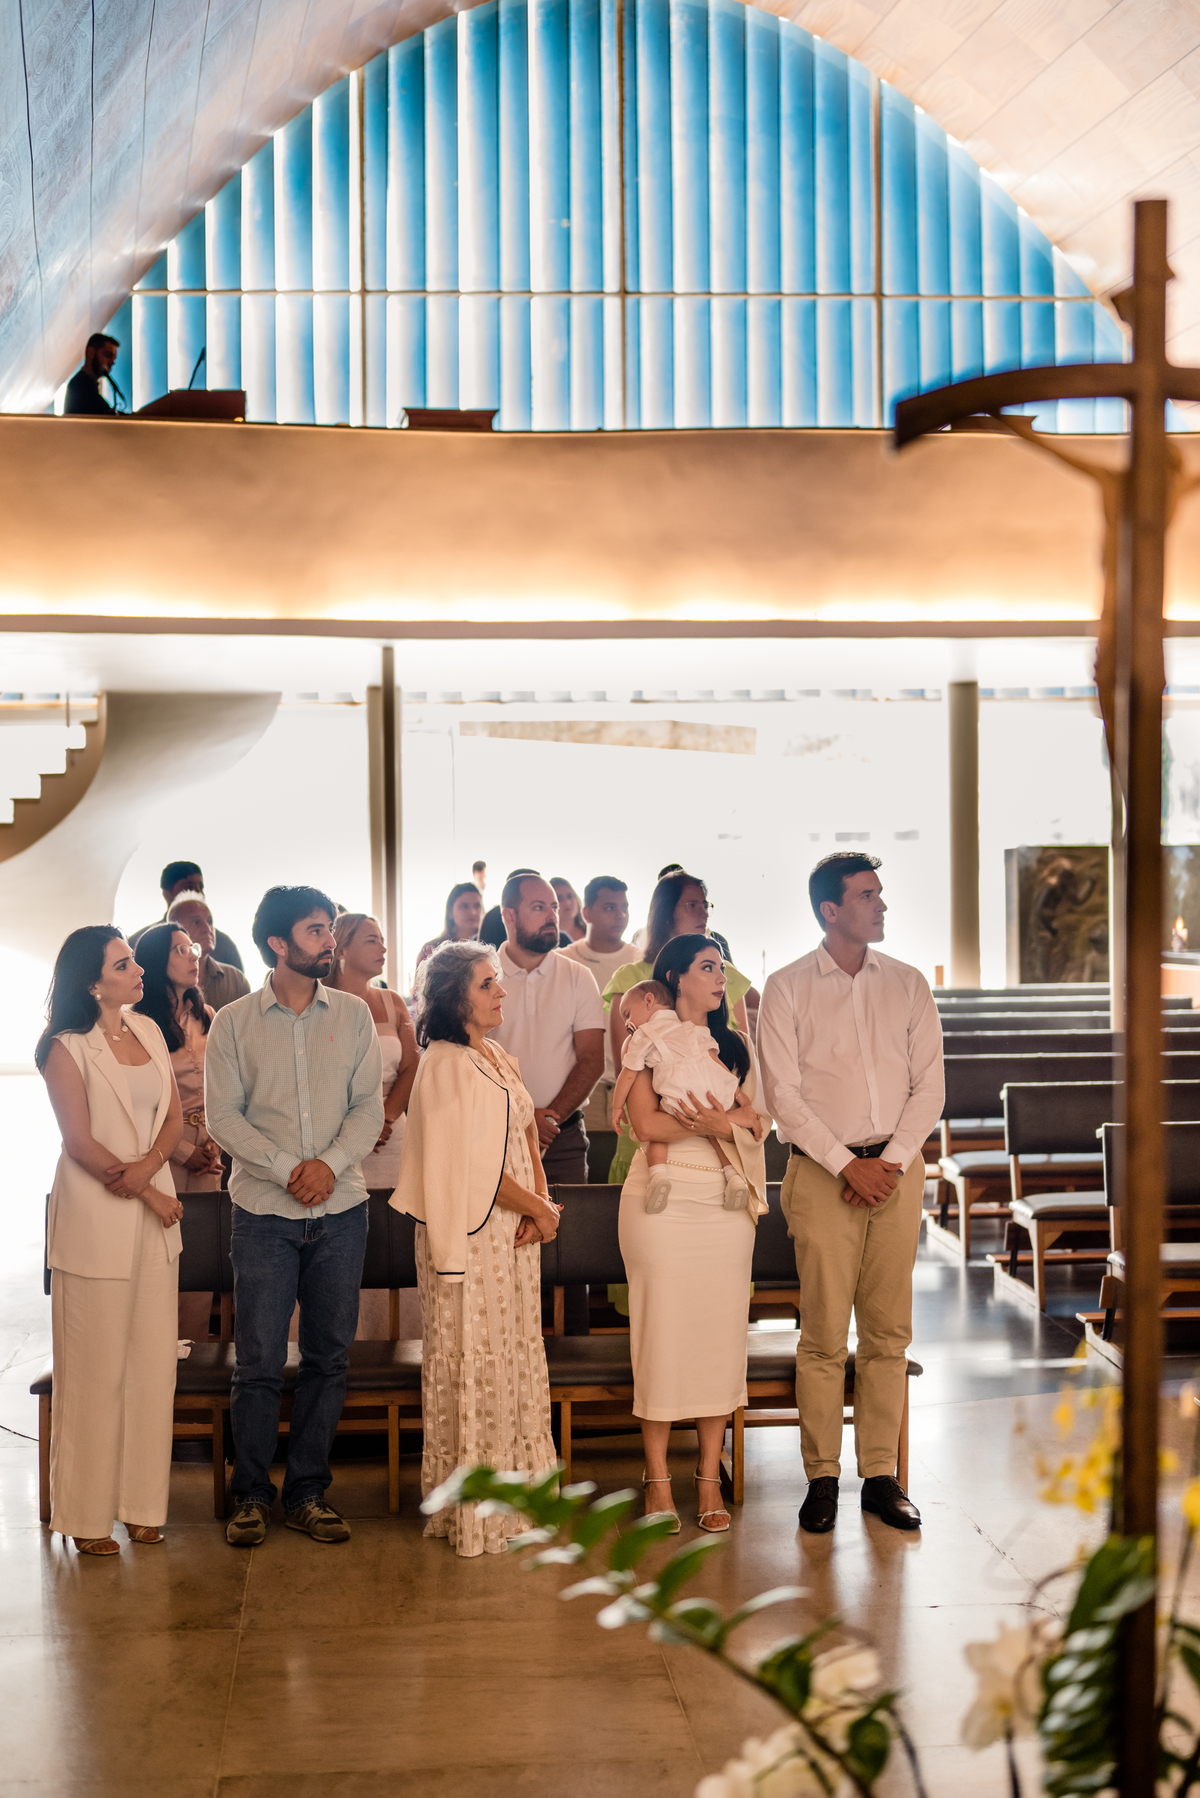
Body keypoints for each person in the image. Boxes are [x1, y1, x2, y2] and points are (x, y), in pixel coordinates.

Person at [757, 852, 944, 1537]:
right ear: (830, 910)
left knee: (889, 1333)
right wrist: (847, 1166)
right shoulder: (786, 988)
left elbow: (930, 1087)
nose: (882, 904)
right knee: (824, 1334)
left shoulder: (908, 983)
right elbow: (784, 1096)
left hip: (896, 1172)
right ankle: (821, 1478)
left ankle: (881, 1476)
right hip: (820, 1174)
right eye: (868, 895)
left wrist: (887, 1164)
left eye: (880, 893)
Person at [205, 885, 383, 1548]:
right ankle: (251, 1495)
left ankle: (308, 1492)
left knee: (327, 1358)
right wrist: (289, 1170)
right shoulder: (233, 1024)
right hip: (263, 1212)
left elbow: (368, 1107)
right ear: (278, 943)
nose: (328, 941)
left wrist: (328, 1165)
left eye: (329, 929)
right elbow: (223, 1118)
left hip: (342, 1209)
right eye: (315, 930)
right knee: (256, 1360)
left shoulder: (356, 1015)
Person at [392, 941, 560, 1555]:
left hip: (514, 1232)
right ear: (453, 997)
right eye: (487, 983)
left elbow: (526, 1135)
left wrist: (544, 1205)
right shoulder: (444, 1063)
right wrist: (535, 1207)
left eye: (498, 981)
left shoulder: (495, 1055)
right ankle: (477, 1513)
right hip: (472, 1233)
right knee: (476, 1360)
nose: (501, 991)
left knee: (512, 1359)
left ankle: (522, 1499)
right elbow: (467, 1167)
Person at [36, 926, 185, 1555]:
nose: (137, 970)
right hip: (97, 1220)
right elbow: (79, 1142)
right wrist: (148, 1190)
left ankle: (142, 1506)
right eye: (123, 964)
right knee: (94, 1375)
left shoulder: (148, 1030)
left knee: (153, 1369)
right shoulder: (64, 1047)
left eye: (133, 962)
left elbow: (174, 1117)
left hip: (154, 1222)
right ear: (92, 982)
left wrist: (151, 1169)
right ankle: (85, 1516)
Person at [618, 935, 767, 1534]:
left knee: (718, 1336)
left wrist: (719, 1122)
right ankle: (656, 1476)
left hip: (726, 1204)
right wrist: (718, 1122)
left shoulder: (734, 1046)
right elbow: (643, 1122)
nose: (720, 978)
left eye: (721, 968)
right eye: (708, 967)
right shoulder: (649, 1035)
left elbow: (760, 1121)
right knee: (662, 1332)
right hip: (661, 1202)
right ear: (677, 978)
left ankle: (708, 1474)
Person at [602, 871, 754, 1186]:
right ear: (666, 911)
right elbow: (630, 1074)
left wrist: (724, 1119)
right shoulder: (632, 979)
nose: (703, 913)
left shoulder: (727, 978)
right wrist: (721, 1121)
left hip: (721, 1145)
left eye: (705, 905)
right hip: (658, 1138)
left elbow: (743, 1066)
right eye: (692, 905)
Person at [491, 874, 605, 1186]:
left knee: (569, 1219)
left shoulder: (578, 976)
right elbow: (469, 1062)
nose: (552, 916)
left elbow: (592, 1059)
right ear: (509, 915)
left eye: (553, 907)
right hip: (494, 1133)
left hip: (561, 1137)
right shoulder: (481, 977)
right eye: (539, 907)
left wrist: (551, 1118)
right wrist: (522, 1118)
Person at [613, 979, 761, 1212]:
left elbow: (628, 1075)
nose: (626, 1023)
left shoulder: (643, 1035)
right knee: (714, 1130)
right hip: (712, 1090)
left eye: (627, 1014)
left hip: (678, 1090)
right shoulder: (692, 1028)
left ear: (649, 1001)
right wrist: (738, 1094)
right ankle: (733, 1178)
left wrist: (616, 1106)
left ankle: (658, 1176)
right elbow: (714, 1062)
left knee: (660, 1131)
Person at [326, 912, 419, 1190]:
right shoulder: (318, 1003)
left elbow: (411, 1067)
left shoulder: (392, 1002)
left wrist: (384, 1118)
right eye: (371, 940)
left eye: (382, 940)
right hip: (335, 1137)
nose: (383, 948)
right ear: (341, 949)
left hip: (391, 1135)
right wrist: (361, 1127)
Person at [133, 923, 223, 1194]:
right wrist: (183, 1152)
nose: (194, 956)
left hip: (209, 1148)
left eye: (192, 948)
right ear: (157, 960)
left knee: (208, 1218)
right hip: (160, 1148)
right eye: (181, 950)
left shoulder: (207, 1015)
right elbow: (138, 1104)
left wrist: (215, 1142)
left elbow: (223, 1085)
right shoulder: (137, 1023)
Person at [557, 876, 640, 1132]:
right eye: (610, 907)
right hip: (580, 1091)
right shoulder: (562, 961)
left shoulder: (641, 962)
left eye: (624, 907)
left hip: (634, 1089)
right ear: (587, 913)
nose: (620, 915)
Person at [132, 861, 244, 972]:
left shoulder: (222, 944)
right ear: (167, 894)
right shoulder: (143, 943)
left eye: (201, 887)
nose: (198, 892)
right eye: (189, 887)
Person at [166, 894, 250, 1013]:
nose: (207, 928)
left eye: (210, 922)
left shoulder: (235, 979)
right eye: (196, 922)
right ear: (175, 929)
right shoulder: (162, 980)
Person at [415, 882, 485, 970]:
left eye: (477, 906)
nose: (472, 912)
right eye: (464, 906)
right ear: (450, 912)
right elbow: (420, 979)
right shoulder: (432, 949)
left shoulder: (489, 948)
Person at [63, 333, 124, 415]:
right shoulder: (80, 385)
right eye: (108, 355)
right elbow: (105, 413)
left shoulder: (86, 383)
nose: (112, 362)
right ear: (91, 353)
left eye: (114, 358)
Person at [551, 878, 586, 942]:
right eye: (559, 898)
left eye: (570, 896)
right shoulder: (545, 938)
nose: (567, 902)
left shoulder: (593, 932)